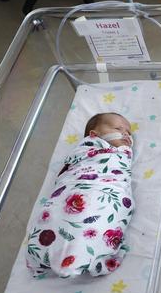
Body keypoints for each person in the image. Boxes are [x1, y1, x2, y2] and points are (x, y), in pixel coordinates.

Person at [25, 112, 134, 278]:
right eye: (118, 128)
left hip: (105, 188)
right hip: (74, 186)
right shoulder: (85, 150)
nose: (125, 134)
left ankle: (80, 255)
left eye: (129, 132)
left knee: (98, 215)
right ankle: (50, 253)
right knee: (56, 216)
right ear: (93, 134)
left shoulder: (120, 154)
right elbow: (68, 170)